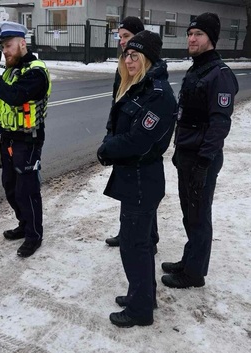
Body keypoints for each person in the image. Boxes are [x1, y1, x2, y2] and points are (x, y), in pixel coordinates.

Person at [97, 30, 177, 327]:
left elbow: (137, 140)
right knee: (135, 243)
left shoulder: (158, 95)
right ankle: (142, 296)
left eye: (135, 55)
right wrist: (109, 144)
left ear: (148, 58)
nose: (129, 60)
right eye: (126, 55)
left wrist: (106, 150)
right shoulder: (138, 87)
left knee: (135, 246)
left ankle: (140, 309)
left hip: (143, 178)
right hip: (133, 176)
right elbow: (115, 124)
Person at [161, 13, 239, 288]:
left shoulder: (220, 75)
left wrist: (203, 162)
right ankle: (190, 259)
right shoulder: (197, 69)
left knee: (199, 215)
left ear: (211, 40)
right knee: (190, 213)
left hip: (201, 158)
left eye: (199, 35)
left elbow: (219, 124)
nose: (192, 39)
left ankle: (194, 274)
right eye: (190, 33)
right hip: (188, 154)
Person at [0, 21, 52, 258]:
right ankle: (24, 224)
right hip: (8, 138)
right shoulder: (10, 70)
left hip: (28, 140)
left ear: (22, 43)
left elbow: (15, 97)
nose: (5, 51)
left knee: (26, 191)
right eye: (3, 47)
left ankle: (34, 235)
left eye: (8, 46)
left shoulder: (36, 72)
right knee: (10, 188)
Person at [104, 16, 159, 254]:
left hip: (136, 140)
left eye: (127, 36)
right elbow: (116, 102)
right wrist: (110, 131)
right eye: (120, 36)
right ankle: (127, 231)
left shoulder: (146, 68)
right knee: (128, 188)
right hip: (122, 133)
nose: (122, 41)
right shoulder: (124, 63)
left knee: (141, 192)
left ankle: (150, 238)